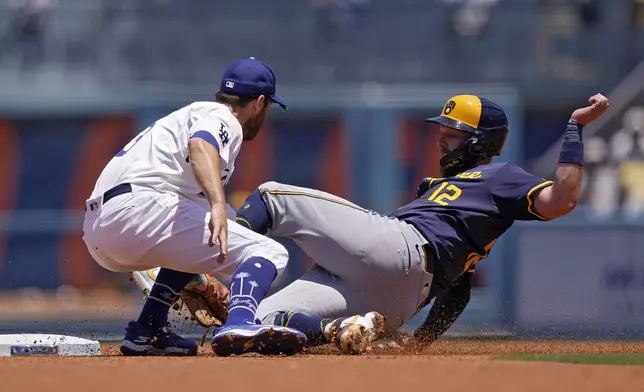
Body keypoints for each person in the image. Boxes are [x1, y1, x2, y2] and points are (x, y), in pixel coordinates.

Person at [227, 93, 609, 350]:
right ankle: (337, 331)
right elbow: (458, 290)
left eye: (452, 134)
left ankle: (214, 267)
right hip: (397, 301)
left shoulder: (502, 175)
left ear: (480, 141)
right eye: (441, 132)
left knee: (270, 196)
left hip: (403, 249)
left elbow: (562, 200)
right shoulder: (438, 187)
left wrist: (574, 129)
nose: (441, 140)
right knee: (260, 321)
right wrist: (418, 344)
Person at [82, 57, 310, 357]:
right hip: (138, 210)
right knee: (270, 251)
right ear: (260, 102)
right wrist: (217, 203)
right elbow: (201, 145)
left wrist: (214, 221)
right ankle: (240, 321)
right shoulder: (222, 117)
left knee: (223, 223)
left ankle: (148, 328)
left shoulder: (191, 115)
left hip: (101, 231)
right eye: (267, 107)